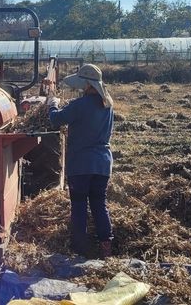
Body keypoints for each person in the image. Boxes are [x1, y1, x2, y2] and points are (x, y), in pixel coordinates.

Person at [46, 64, 114, 258]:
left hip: (81, 164)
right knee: (99, 204)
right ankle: (106, 247)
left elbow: (56, 120)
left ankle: (79, 249)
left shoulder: (80, 105)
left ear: (87, 84)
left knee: (78, 205)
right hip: (102, 163)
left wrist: (53, 104)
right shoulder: (107, 104)